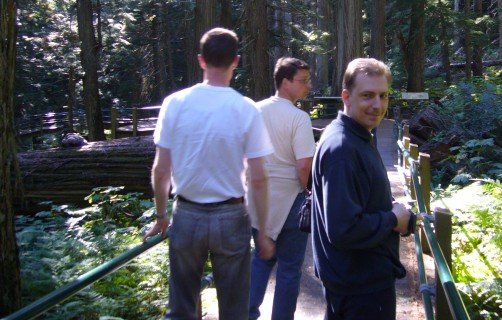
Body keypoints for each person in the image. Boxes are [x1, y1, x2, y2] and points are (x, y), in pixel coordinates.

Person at [144, 27, 275, 320]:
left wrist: (161, 215)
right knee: (235, 311)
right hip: (231, 217)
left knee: (180, 310)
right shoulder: (246, 109)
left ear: (201, 60)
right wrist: (263, 231)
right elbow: (258, 178)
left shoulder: (174, 103)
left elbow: (161, 168)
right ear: (236, 61)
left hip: (187, 215)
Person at [311, 58, 413, 320]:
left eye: (383, 95)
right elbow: (343, 229)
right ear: (346, 96)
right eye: (367, 96)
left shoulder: (357, 136)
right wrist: (393, 219)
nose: (377, 105)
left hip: (356, 281)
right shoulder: (343, 148)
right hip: (360, 288)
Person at [247, 57, 317, 320]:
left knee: (261, 259)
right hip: (290, 200)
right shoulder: (299, 118)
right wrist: (308, 192)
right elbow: (303, 166)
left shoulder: (255, 110)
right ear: (285, 82)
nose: (308, 86)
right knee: (289, 269)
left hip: (258, 199)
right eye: (303, 81)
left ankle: (247, 313)